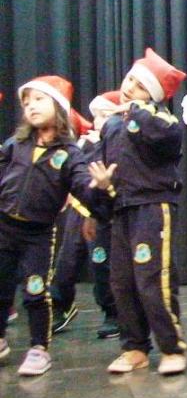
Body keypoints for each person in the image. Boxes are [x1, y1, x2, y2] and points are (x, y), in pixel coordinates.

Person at [0, 76, 110, 375]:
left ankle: (39, 347)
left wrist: (100, 188)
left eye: (39, 100)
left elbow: (84, 190)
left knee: (35, 291)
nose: (31, 107)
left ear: (59, 107)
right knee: (1, 286)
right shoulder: (16, 144)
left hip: (37, 235)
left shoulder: (70, 154)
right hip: (4, 228)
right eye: (26, 103)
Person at [93, 49, 187, 376]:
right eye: (130, 80)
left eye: (141, 85)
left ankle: (172, 347)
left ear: (155, 95)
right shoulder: (111, 127)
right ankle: (134, 347)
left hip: (152, 206)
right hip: (121, 209)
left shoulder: (161, 119)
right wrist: (102, 187)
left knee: (152, 278)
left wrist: (137, 108)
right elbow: (102, 164)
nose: (130, 87)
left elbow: (167, 135)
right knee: (122, 282)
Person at [51, 93, 120, 340]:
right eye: (96, 116)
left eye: (105, 115)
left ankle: (113, 312)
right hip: (80, 209)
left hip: (101, 211)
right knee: (67, 259)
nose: (98, 120)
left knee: (101, 262)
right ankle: (60, 305)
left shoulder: (115, 143)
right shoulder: (85, 143)